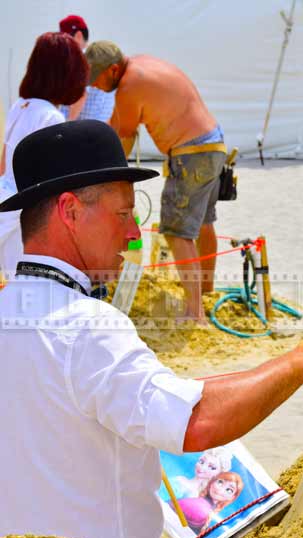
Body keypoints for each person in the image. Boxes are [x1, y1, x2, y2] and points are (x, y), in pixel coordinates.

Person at [0, 119, 303, 538]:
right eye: (123, 214)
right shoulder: (87, 325)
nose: (132, 235)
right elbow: (197, 422)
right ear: (69, 210)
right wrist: (300, 360)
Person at [85, 41, 226, 323]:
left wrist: (106, 175)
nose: (96, 87)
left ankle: (194, 313)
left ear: (112, 70)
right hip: (213, 145)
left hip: (191, 154)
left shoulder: (128, 85)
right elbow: (117, 124)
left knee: (176, 231)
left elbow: (123, 137)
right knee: (204, 224)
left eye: (97, 80)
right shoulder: (142, 64)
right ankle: (206, 293)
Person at [0, 31, 88, 277]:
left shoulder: (21, 105)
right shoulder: (50, 116)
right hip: (27, 215)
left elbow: (4, 163)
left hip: (8, 202)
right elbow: (55, 181)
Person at [59, 15, 115, 122]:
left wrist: (68, 125)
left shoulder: (80, 59)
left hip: (79, 131)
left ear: (79, 36)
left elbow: (80, 95)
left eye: (65, 39)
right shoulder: (103, 59)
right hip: (99, 130)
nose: (63, 45)